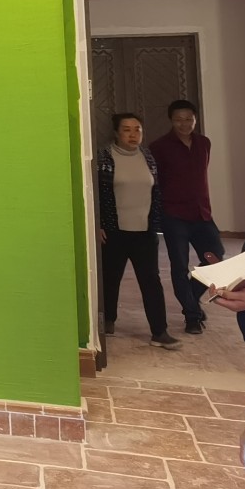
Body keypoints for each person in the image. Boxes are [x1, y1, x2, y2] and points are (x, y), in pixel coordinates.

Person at [95, 112, 180, 349]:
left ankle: (159, 332)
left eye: (137, 130)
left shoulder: (147, 157)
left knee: (151, 280)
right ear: (116, 133)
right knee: (110, 279)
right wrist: (98, 224)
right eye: (127, 130)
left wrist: (157, 224)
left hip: (144, 231)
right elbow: (96, 193)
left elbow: (155, 192)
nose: (133, 135)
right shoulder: (104, 157)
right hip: (114, 232)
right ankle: (108, 320)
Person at [149, 99, 222, 335]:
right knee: (179, 267)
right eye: (179, 120)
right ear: (171, 121)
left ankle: (191, 298)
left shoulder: (204, 143)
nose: (184, 124)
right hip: (174, 216)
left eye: (189, 119)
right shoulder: (159, 147)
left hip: (202, 214)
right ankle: (192, 316)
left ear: (195, 119)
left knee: (216, 258)